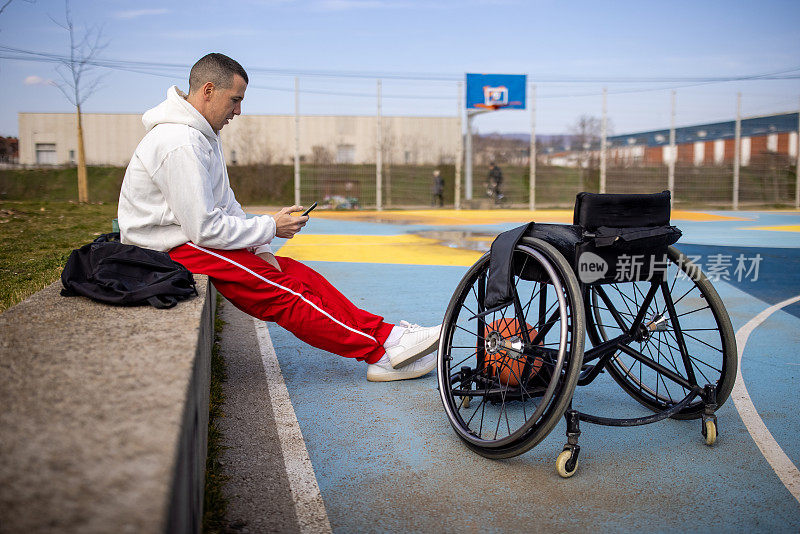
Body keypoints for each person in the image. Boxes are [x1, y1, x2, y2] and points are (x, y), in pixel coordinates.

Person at [118, 53, 440, 382]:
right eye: (235, 100)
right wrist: (271, 226)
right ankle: (381, 350)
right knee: (284, 296)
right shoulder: (180, 142)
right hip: (167, 248)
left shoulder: (203, 137)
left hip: (189, 239)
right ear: (209, 90)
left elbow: (227, 205)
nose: (238, 111)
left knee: (295, 274)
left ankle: (388, 338)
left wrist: (262, 249)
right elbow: (204, 228)